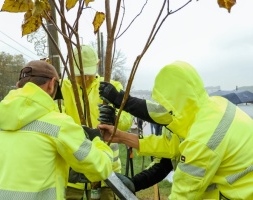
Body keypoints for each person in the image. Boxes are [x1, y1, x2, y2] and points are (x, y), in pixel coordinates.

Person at [98, 60, 253, 199]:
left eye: (166, 104)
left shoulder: (203, 139)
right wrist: (121, 136)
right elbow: (171, 145)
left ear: (177, 103)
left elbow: (183, 194)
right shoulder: (212, 105)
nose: (163, 110)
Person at [0, 60, 113, 200]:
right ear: (51, 84)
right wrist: (98, 141)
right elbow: (100, 168)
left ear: (18, 86)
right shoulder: (58, 124)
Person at [61, 45, 133, 200]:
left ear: (98, 65)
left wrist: (115, 118)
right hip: (72, 176)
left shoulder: (111, 87)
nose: (86, 78)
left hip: (106, 172)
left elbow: (127, 121)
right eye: (81, 74)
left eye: (89, 73)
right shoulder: (62, 89)